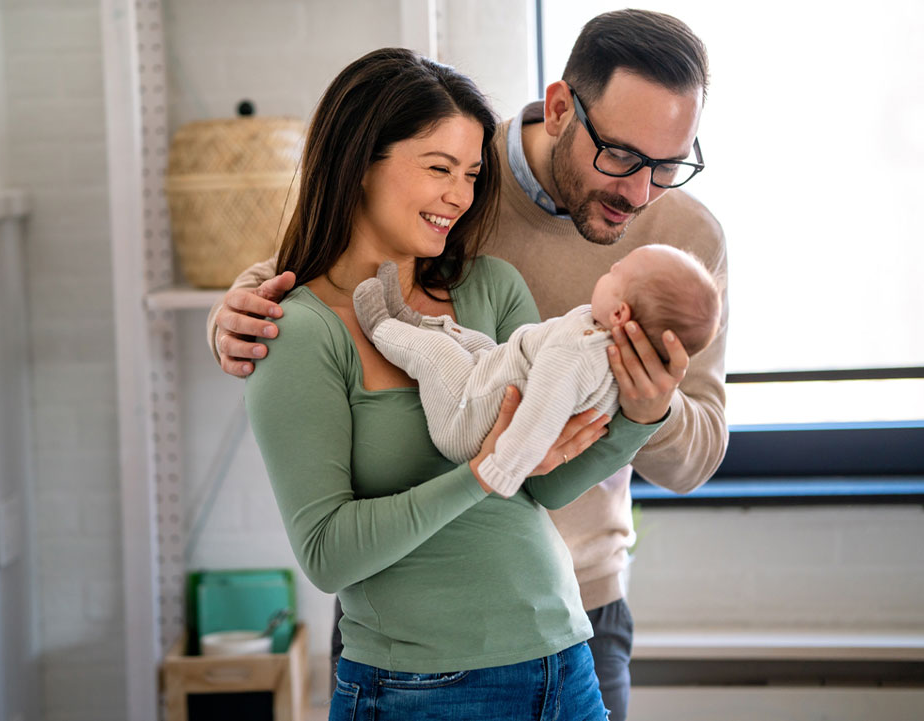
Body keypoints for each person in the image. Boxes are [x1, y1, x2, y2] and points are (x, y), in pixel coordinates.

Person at [210, 11, 728, 721]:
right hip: (416, 659)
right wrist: (234, 308)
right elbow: (325, 267)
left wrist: (645, 410)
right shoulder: (453, 190)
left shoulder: (670, 243)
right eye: (623, 157)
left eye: (668, 166)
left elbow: (579, 475)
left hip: (572, 627)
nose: (641, 192)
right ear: (560, 110)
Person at [352, 244, 722, 498]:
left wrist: (500, 469)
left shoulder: (580, 354)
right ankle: (409, 319)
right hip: (490, 380)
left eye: (615, 272)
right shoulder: (597, 336)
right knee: (475, 341)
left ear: (621, 313)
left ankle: (382, 326)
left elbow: (542, 414)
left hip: (468, 423)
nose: (607, 270)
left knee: (436, 353)